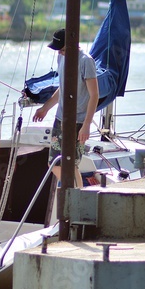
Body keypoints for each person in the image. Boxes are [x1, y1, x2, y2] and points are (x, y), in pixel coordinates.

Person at [31, 28, 99, 187]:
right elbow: (63, 88)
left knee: (71, 165)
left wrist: (87, 125)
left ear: (72, 45)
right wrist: (45, 108)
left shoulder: (85, 61)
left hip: (79, 121)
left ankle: (76, 196)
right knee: (54, 163)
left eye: (62, 49)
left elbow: (94, 95)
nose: (59, 53)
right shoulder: (61, 58)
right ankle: (74, 192)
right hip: (61, 118)